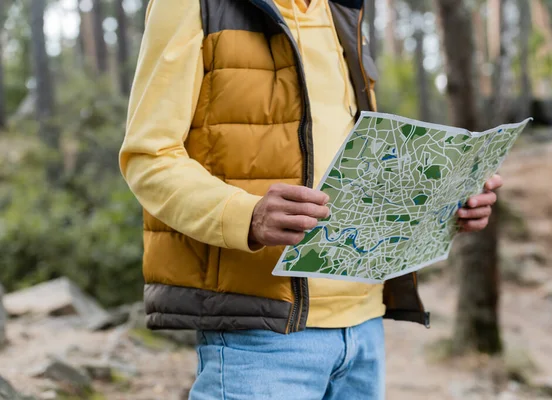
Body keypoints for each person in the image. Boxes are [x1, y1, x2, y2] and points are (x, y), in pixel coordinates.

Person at [119, 0, 503, 398]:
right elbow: (149, 158)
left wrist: (444, 204)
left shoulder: (340, 10)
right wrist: (244, 215)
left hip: (365, 327)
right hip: (261, 333)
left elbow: (357, 164)